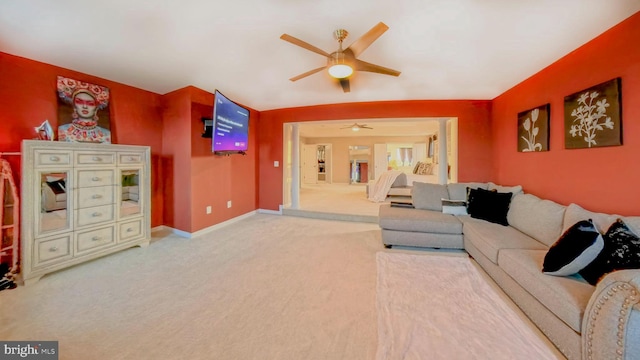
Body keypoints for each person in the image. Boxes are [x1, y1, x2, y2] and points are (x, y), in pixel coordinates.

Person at [57, 77, 111, 143]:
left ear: (96, 108)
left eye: (90, 103)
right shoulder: (63, 130)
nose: (85, 106)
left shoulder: (106, 134)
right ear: (74, 106)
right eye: (79, 102)